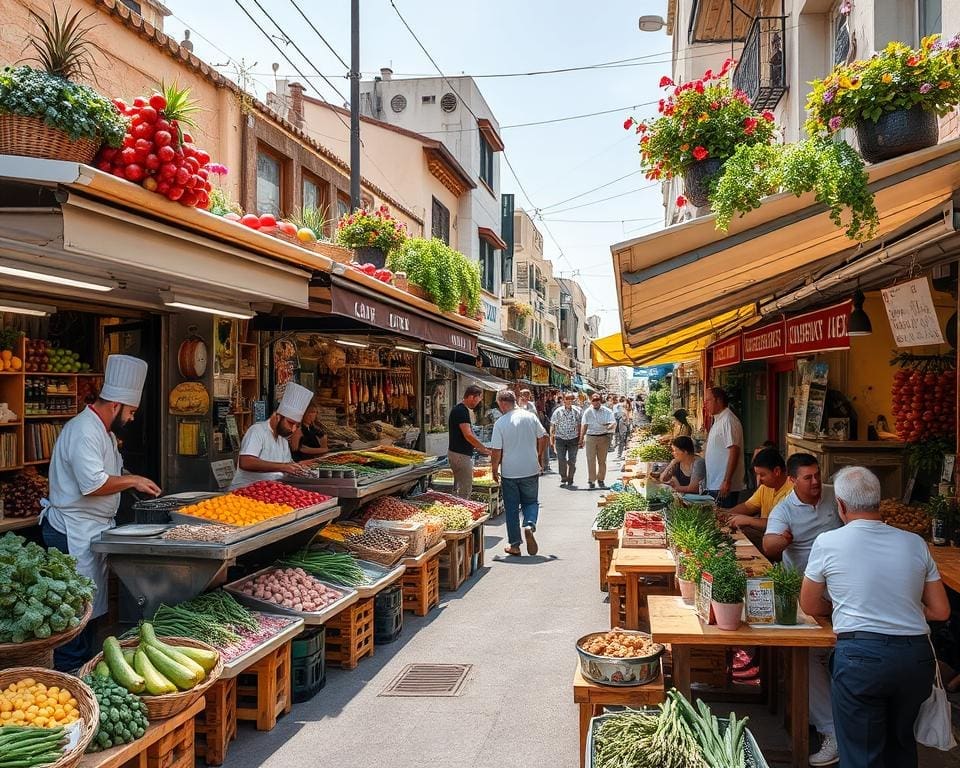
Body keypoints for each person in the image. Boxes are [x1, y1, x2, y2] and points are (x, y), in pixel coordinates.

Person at [801, 466, 950, 768]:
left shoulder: (828, 542)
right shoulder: (915, 543)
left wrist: (844, 606)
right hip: (915, 660)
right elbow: (940, 611)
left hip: (861, 659)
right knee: (902, 747)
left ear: (840, 505)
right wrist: (901, 607)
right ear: (878, 502)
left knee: (861, 754)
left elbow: (809, 604)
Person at [42, 354, 161, 670]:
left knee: (88, 610)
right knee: (72, 614)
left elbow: (111, 473)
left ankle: (85, 671)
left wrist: (133, 482)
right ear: (116, 406)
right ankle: (70, 674)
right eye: (132, 411)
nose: (133, 418)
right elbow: (92, 485)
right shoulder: (83, 431)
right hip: (71, 530)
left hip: (93, 529)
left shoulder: (106, 433)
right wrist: (133, 480)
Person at [764, 452, 842, 766]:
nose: (814, 483)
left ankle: (827, 716)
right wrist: (781, 541)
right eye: (807, 478)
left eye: (816, 476)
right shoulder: (784, 509)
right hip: (805, 594)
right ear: (793, 481)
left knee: (836, 654)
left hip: (843, 588)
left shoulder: (834, 496)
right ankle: (831, 730)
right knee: (808, 656)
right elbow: (769, 545)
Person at [490, 389, 548, 556]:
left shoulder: (500, 423)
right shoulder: (530, 416)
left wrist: (494, 469)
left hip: (510, 472)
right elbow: (543, 436)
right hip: (530, 468)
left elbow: (496, 451)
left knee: (512, 508)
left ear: (501, 403)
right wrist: (539, 457)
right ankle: (529, 524)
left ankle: (515, 545)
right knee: (531, 502)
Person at [232, 383, 314, 489]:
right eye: (290, 423)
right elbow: (246, 462)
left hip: (272, 492)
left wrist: (300, 465)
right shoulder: (257, 431)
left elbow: (286, 465)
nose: (293, 429)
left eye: (296, 425)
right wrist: (283, 467)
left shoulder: (282, 439)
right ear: (277, 417)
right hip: (245, 492)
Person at [724, 448, 793, 538]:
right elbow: (748, 506)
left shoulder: (792, 491)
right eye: (757, 474)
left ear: (777, 471)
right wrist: (725, 515)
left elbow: (779, 524)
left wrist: (749, 520)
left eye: (762, 475)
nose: (759, 479)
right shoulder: (765, 487)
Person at [446, 385, 491, 499]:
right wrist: (483, 448)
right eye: (478, 399)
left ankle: (457, 507)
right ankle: (462, 510)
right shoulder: (461, 411)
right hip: (461, 455)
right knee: (465, 489)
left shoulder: (461, 410)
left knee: (458, 487)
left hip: (457, 454)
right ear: (471, 397)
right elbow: (468, 435)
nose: (478, 403)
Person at [703, 387, 745, 508]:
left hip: (724, 485)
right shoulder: (719, 420)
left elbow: (734, 450)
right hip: (715, 483)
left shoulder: (728, 420)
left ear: (719, 400)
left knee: (724, 520)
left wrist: (727, 480)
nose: (706, 405)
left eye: (708, 401)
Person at [580, 393, 616, 489]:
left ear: (600, 401)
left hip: (603, 437)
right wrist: (581, 439)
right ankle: (591, 480)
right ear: (591, 401)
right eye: (593, 400)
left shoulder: (607, 411)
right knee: (590, 459)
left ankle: (601, 479)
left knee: (602, 460)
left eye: (597, 400)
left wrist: (609, 426)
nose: (595, 402)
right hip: (591, 437)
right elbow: (584, 425)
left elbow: (613, 422)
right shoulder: (587, 412)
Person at [550, 392, 582, 487]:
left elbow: (580, 425)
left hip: (573, 439)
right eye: (568, 399)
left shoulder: (577, 411)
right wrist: (551, 439)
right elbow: (553, 425)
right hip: (560, 439)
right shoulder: (558, 411)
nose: (569, 401)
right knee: (561, 459)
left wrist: (581, 438)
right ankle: (563, 476)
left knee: (572, 460)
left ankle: (571, 477)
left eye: (571, 399)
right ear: (564, 400)